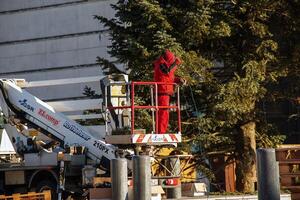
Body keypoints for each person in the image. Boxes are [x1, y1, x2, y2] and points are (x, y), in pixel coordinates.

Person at [153, 49, 184, 134]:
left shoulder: (163, 64)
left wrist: (178, 80)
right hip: (162, 91)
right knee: (163, 113)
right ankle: (160, 132)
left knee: (164, 113)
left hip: (165, 91)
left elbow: (169, 77)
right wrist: (176, 63)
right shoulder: (161, 64)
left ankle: (161, 131)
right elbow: (167, 72)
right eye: (172, 60)